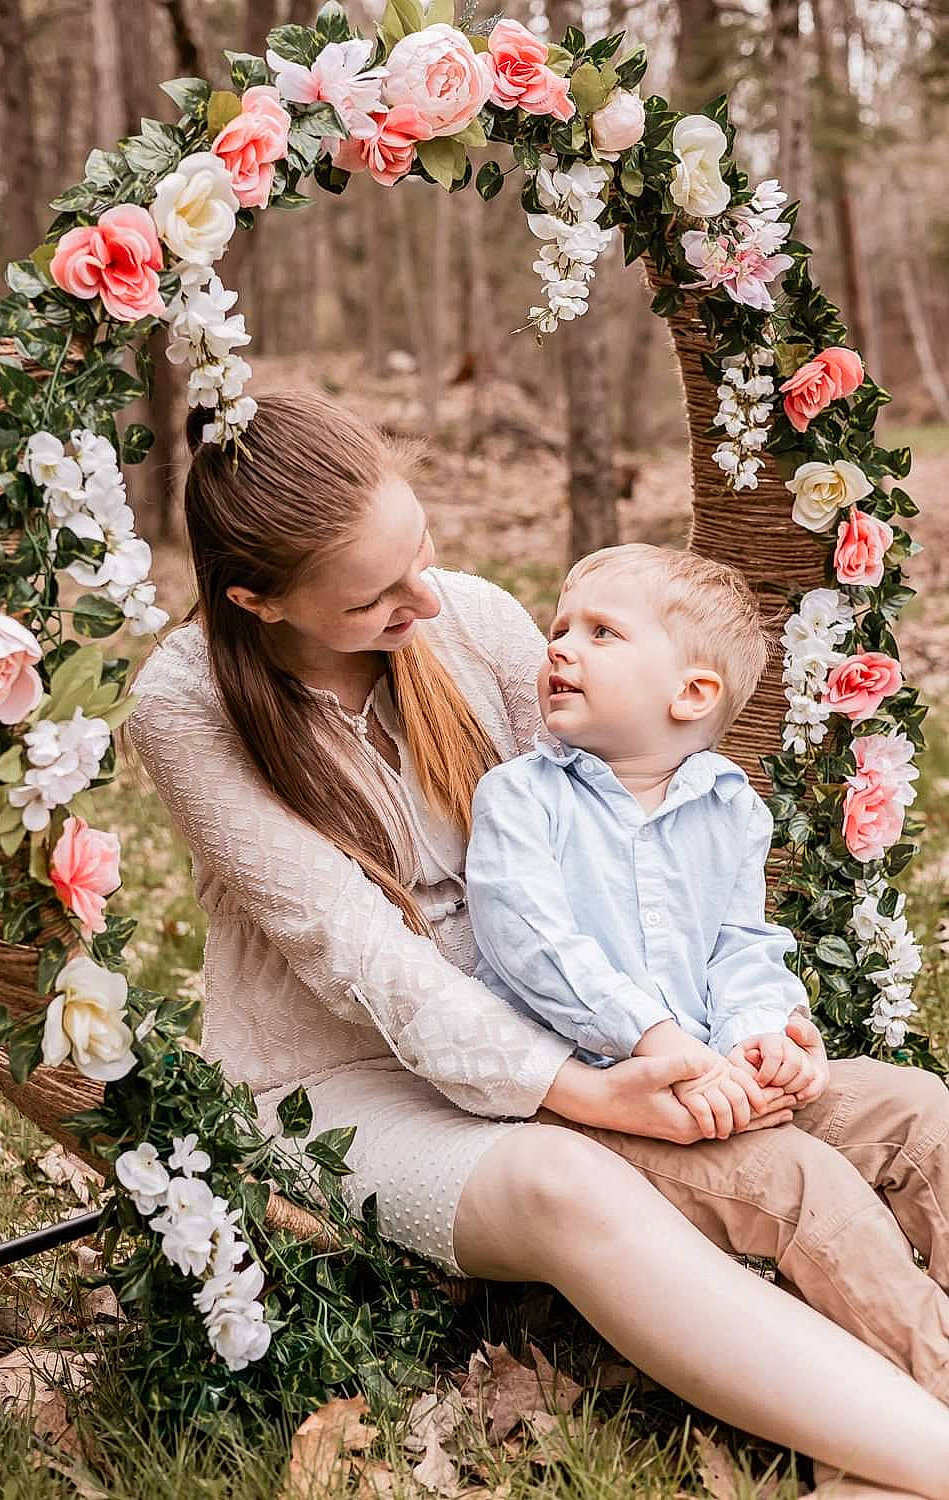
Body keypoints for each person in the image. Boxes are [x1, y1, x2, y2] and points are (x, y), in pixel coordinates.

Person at [127, 391, 949, 1498]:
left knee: (914, 1115)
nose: (427, 595)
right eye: (377, 596)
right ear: (257, 602)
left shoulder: (467, 622)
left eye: (421, 551)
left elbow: (614, 852)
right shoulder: (187, 703)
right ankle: (915, 1439)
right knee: (594, 1180)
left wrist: (740, 1030)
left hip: (585, 1026)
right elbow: (362, 956)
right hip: (346, 1073)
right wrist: (598, 1092)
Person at [466, 543, 823, 1143]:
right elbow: (533, 943)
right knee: (808, 1189)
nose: (558, 647)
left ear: (690, 695)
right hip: (601, 1102)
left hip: (712, 1072)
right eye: (560, 628)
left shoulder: (731, 808)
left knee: (918, 1109)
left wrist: (756, 1036)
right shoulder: (519, 796)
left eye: (602, 633)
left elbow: (740, 943)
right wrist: (661, 1041)